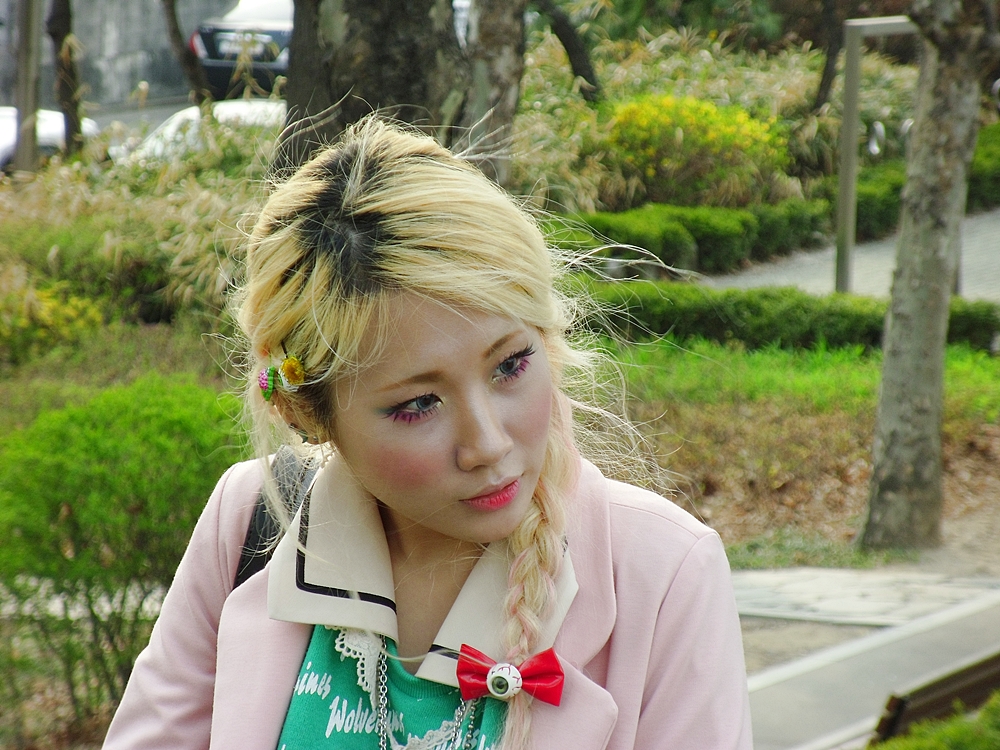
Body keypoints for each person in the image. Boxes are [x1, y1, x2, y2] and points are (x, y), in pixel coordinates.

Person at [102, 116, 752, 750]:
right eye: (418, 405)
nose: (488, 445)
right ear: (306, 413)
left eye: (510, 365)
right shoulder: (249, 523)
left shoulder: (662, 575)